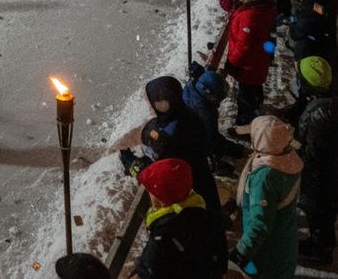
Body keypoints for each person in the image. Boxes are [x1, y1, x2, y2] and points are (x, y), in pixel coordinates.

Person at [230, 115, 302, 279]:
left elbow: (260, 223)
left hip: (267, 252)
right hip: (285, 241)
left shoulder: (265, 177)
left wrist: (242, 251)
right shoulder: (289, 159)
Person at [135, 158, 228, 279]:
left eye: (151, 191)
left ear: (162, 197)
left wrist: (139, 267)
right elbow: (221, 260)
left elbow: (147, 271)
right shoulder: (208, 217)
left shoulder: (162, 236)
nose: (149, 194)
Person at [142, 76, 221, 218]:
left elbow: (159, 167)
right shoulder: (187, 113)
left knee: (199, 217)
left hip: (188, 187)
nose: (150, 105)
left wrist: (136, 167)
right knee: (210, 211)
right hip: (202, 174)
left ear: (163, 104)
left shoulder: (169, 134)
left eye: (153, 101)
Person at [294, 58, 338, 265]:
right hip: (331, 171)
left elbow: (309, 148)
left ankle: (320, 248)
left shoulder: (315, 113)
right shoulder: (332, 103)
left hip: (319, 174)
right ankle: (324, 241)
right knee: (327, 209)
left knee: (317, 210)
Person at [222, 0, 277, 127]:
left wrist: (232, 62)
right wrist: (232, 7)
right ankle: (256, 109)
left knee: (246, 97)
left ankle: (245, 126)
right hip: (258, 62)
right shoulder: (262, 8)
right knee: (254, 90)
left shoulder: (251, 16)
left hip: (249, 66)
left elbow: (244, 46)